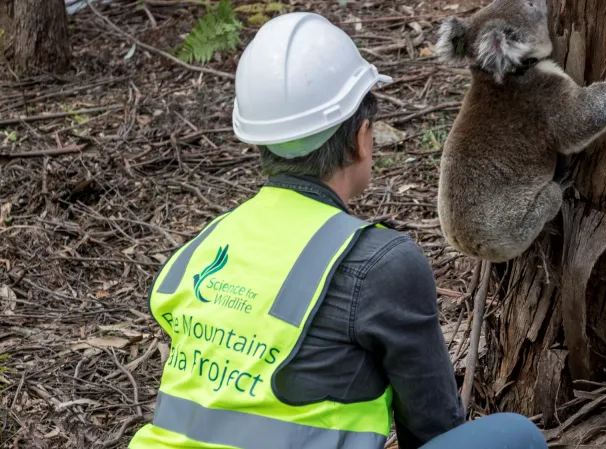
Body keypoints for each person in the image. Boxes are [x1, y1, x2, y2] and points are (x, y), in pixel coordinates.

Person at [128, 11, 548, 449]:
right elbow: (432, 430)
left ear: (258, 138)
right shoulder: (380, 264)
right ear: (363, 138)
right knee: (515, 436)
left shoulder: (210, 240)